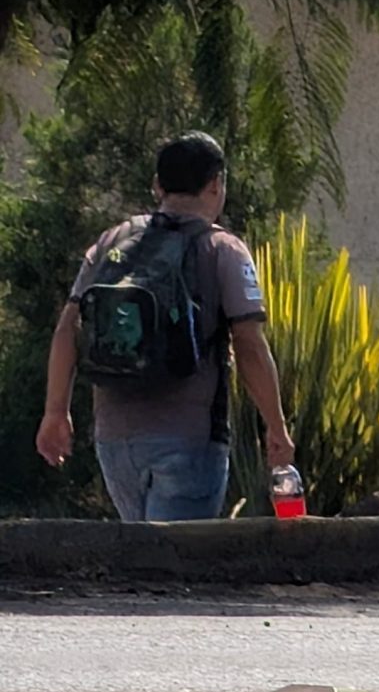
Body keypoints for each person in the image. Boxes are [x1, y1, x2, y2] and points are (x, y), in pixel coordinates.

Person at [35, 132, 295, 522]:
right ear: (215, 184)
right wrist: (276, 427)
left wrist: (56, 411)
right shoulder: (222, 249)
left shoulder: (113, 241)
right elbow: (249, 345)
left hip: (114, 439)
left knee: (141, 553)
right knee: (177, 558)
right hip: (189, 439)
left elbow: (68, 329)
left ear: (157, 185)